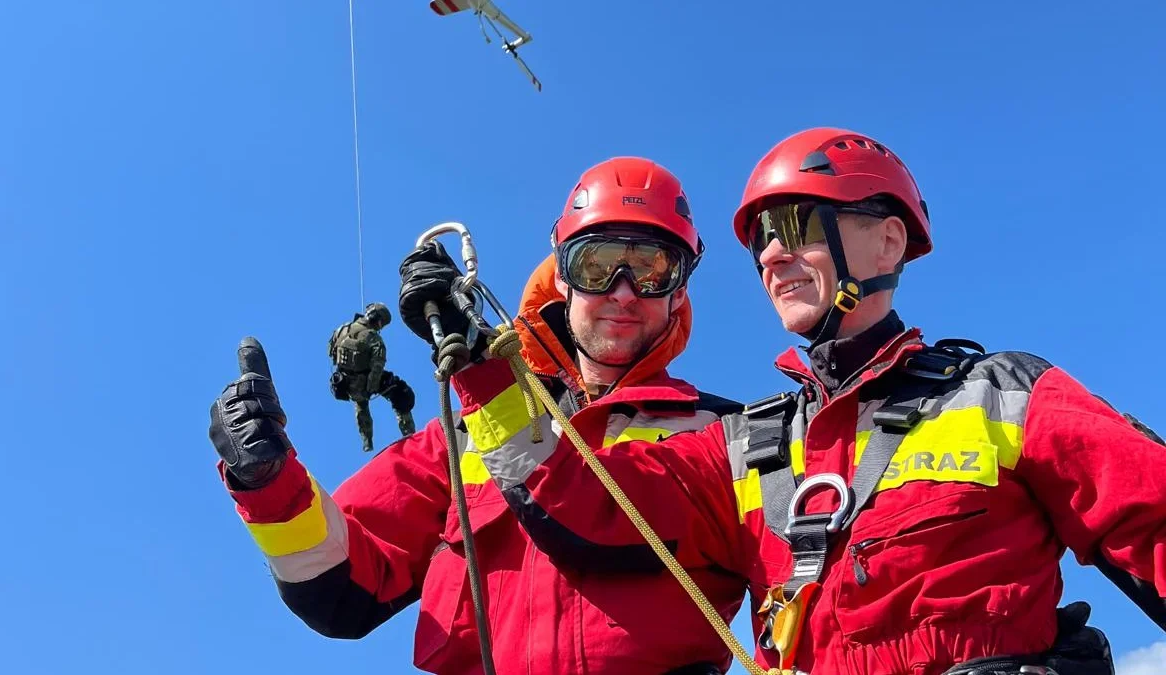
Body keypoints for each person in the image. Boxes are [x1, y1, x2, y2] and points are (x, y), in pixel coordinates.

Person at [426, 128, 1165, 675]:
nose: (772, 255)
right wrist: (485, 374)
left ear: (887, 243)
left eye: (797, 228)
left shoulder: (1003, 394)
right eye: (761, 242)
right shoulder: (747, 446)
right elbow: (587, 507)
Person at [207, 156, 751, 675]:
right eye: (598, 265)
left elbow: (592, 511)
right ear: (561, 274)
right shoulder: (461, 439)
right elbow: (340, 590)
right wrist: (268, 483)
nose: (624, 292)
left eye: (654, 269)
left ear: (680, 291)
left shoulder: (725, 436)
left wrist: (487, 377)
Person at [327, 302, 417, 452]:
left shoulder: (341, 329)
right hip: (365, 382)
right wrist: (372, 385)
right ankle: (410, 434)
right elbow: (378, 364)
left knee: (361, 405)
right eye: (381, 324)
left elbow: (331, 352)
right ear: (377, 319)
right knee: (400, 393)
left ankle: (367, 441)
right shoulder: (372, 337)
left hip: (346, 383)